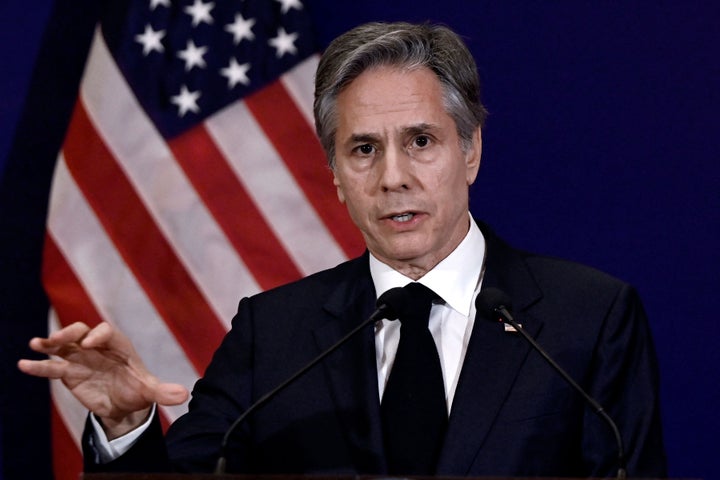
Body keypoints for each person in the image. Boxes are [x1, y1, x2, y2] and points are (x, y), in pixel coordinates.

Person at [18, 21, 667, 477]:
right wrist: (128, 428)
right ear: (333, 174)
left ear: (470, 151)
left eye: (420, 141)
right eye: (363, 149)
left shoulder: (588, 319)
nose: (392, 176)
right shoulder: (272, 333)